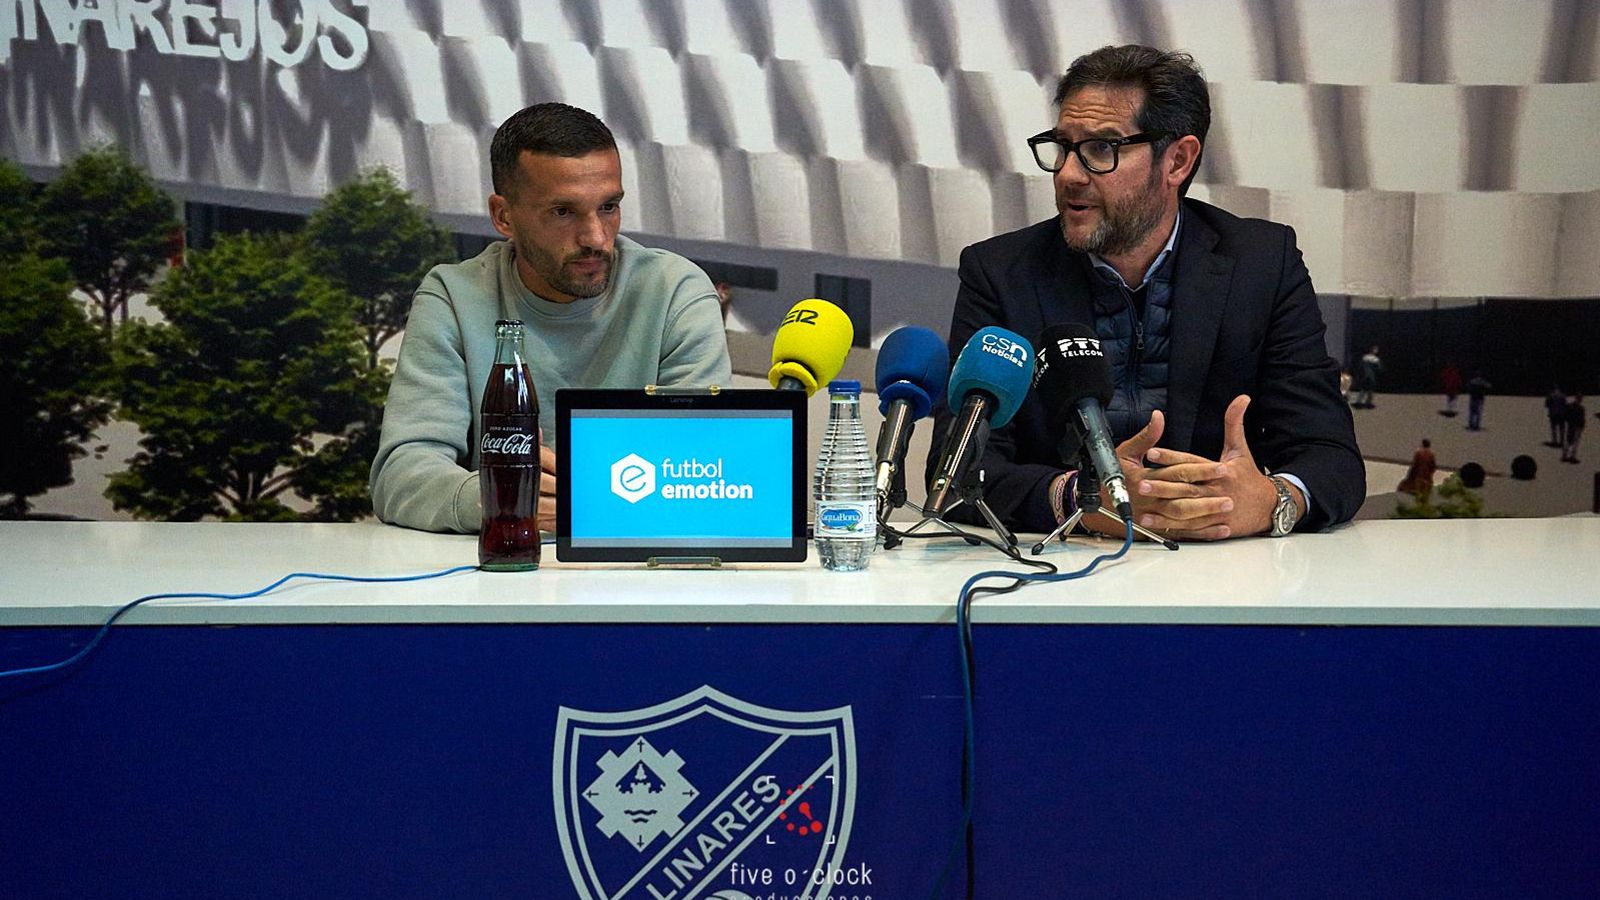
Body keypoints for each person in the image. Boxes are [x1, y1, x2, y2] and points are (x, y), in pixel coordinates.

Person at [927, 45, 1363, 540]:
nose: (1069, 173)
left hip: (1228, 573)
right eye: (1063, 145)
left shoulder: (1262, 264)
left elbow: (1332, 460)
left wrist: (1270, 501)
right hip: (1056, 574)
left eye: (1101, 149)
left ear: (1177, 160)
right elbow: (958, 470)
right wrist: (1079, 499)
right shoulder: (1001, 273)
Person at [370, 103, 733, 533]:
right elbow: (400, 474)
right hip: (499, 574)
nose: (596, 238)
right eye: (563, 212)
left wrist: (593, 497)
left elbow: (705, 466)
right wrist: (501, 497)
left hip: (642, 570)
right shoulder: (453, 296)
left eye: (609, 207)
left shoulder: (676, 291)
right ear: (504, 216)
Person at [1562, 394, 1586, 463]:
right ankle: (1572, 456)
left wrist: (1568, 422)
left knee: (1568, 441)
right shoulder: (1581, 408)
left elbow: (1565, 415)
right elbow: (1582, 419)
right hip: (1577, 426)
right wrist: (1582, 426)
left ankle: (1565, 455)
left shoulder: (1569, 406)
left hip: (1570, 425)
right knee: (1575, 442)